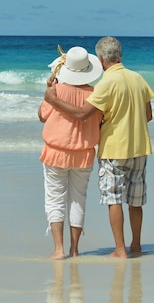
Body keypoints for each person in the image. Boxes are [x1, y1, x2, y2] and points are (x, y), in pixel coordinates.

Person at [44, 36, 154, 258]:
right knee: (136, 200)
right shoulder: (138, 78)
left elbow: (83, 114)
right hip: (140, 147)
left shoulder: (106, 83)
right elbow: (148, 115)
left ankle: (120, 250)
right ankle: (136, 246)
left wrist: (54, 101)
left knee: (114, 199)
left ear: (102, 59)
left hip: (115, 148)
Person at [38, 46, 103, 259]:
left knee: (55, 198)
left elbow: (42, 115)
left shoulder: (56, 91)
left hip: (56, 151)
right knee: (78, 199)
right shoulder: (95, 94)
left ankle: (58, 249)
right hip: (84, 152)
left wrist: (50, 92)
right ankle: (75, 250)